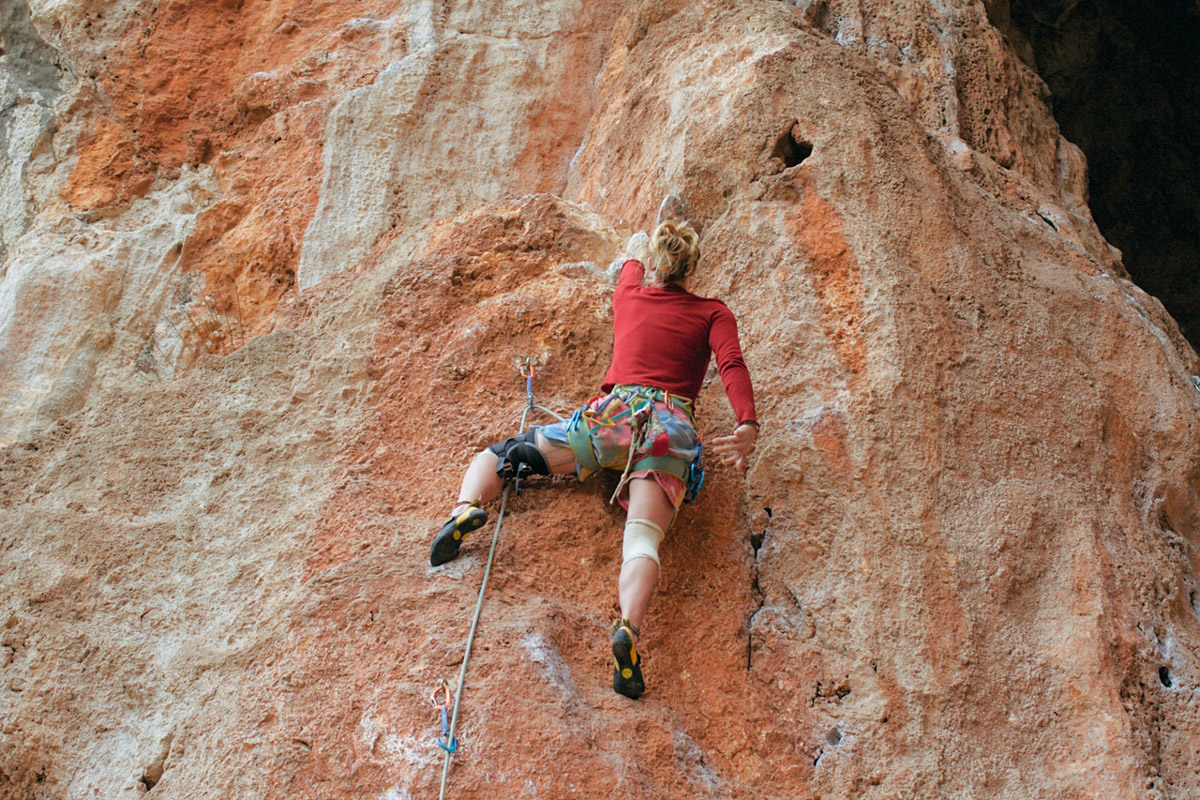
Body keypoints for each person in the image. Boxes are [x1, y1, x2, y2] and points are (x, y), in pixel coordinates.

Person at [429, 200, 759, 699]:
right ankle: (628, 629)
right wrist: (747, 424)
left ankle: (467, 508)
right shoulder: (713, 311)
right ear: (694, 269)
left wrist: (640, 251)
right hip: (668, 430)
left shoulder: (629, 293)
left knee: (503, 454)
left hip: (613, 416)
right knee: (643, 541)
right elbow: (731, 364)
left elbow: (629, 260)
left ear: (655, 264)